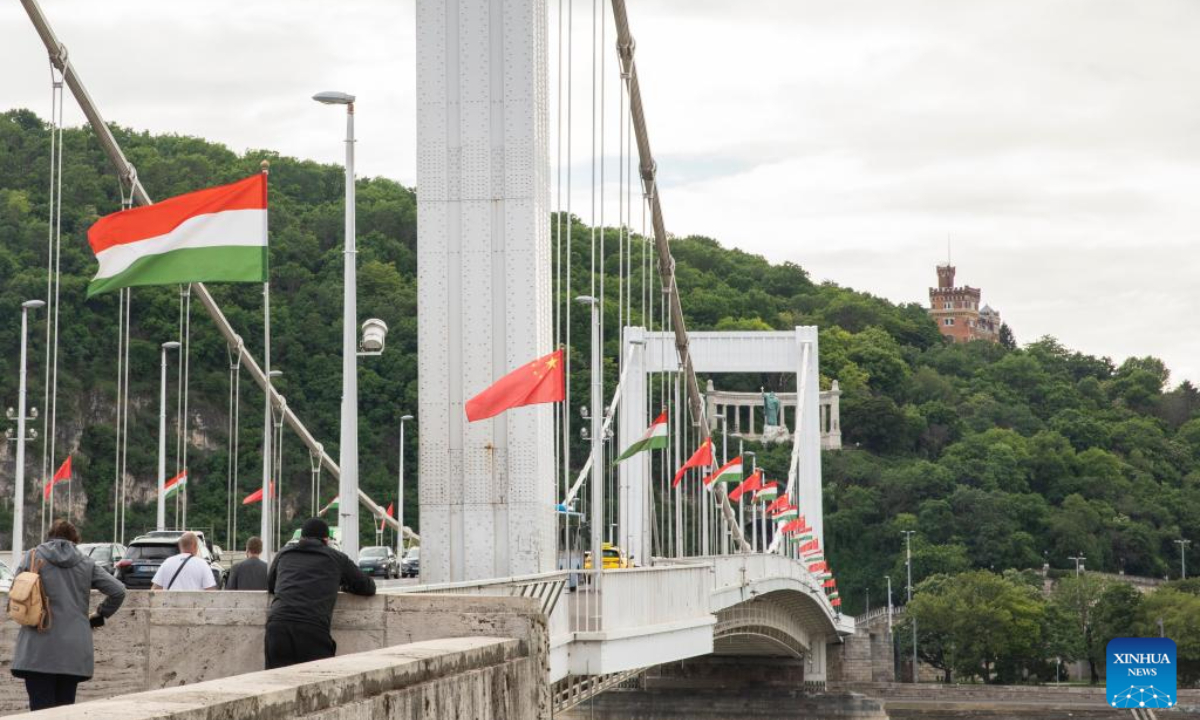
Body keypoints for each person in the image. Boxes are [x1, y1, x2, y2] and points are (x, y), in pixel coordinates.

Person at [10, 520, 126, 711]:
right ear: (75, 540)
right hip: (73, 652)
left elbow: (17, 590)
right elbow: (118, 591)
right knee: (65, 711)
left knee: (40, 712)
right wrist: (100, 615)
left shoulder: (31, 557)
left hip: (36, 648)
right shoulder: (86, 563)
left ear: (49, 536)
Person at [265, 518, 375, 669]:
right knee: (317, 686)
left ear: (301, 537)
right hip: (313, 629)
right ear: (326, 539)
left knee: (276, 684)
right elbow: (368, 587)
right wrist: (343, 586)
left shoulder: (284, 554)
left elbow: (271, 586)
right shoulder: (336, 557)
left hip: (278, 627)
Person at [151, 532, 216, 591]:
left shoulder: (167, 562)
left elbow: (155, 589)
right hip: (194, 603)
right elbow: (211, 591)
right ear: (195, 546)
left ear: (180, 546)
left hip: (170, 603)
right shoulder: (202, 564)